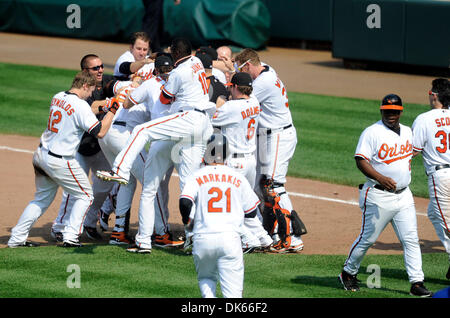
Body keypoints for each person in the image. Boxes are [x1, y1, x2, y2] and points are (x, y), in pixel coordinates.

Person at [97, 37, 213, 253]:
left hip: (185, 120)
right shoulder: (196, 63)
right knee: (186, 185)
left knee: (142, 131)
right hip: (201, 125)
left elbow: (166, 98)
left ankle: (121, 170)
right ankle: (189, 238)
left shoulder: (173, 75)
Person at [8, 71, 118, 248]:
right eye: (90, 90)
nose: (91, 94)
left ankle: (16, 238)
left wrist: (104, 107)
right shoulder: (80, 106)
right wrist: (112, 110)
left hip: (41, 156)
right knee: (86, 196)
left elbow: (81, 111)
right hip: (59, 161)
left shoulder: (58, 96)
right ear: (84, 86)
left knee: (41, 200)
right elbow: (101, 131)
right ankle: (71, 236)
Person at [338, 94, 433, 297]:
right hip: (378, 196)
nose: (391, 115)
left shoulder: (408, 132)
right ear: (381, 111)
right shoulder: (372, 133)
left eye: (395, 112)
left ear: (400, 112)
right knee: (367, 239)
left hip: (404, 196)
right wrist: (381, 178)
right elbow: (361, 161)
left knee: (411, 240)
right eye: (387, 111)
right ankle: (348, 272)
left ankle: (417, 283)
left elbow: (414, 151)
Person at [233, 48, 303, 253]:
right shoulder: (267, 70)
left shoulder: (262, 83)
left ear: (248, 65)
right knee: (258, 185)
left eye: (241, 68)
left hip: (278, 137)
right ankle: (269, 231)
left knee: (273, 186)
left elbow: (240, 100)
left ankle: (292, 237)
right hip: (269, 136)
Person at [179, 133, 261, 298]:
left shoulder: (196, 176)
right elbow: (252, 212)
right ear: (226, 154)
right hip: (230, 240)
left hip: (202, 238)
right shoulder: (238, 177)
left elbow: (185, 203)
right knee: (233, 296)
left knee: (206, 277)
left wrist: (188, 222)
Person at [51, 54, 118, 242]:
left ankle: (89, 222)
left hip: (100, 148)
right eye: (95, 68)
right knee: (73, 191)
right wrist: (110, 104)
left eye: (101, 66)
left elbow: (119, 83)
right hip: (79, 149)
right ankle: (59, 227)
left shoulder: (105, 81)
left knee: (104, 185)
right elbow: (91, 107)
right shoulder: (80, 93)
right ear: (84, 72)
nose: (100, 70)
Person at [120, 54, 183, 247]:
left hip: (160, 140)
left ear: (156, 70)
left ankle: (151, 237)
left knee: (151, 189)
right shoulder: (181, 79)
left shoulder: (150, 83)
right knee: (188, 187)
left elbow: (126, 103)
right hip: (182, 138)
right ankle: (192, 236)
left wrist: (144, 99)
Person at [211, 72, 273, 252]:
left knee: (230, 206)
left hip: (234, 164)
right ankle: (264, 238)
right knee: (247, 203)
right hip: (250, 162)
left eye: (231, 86)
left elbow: (211, 118)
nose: (229, 88)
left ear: (236, 88)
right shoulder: (254, 103)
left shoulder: (230, 108)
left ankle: (248, 240)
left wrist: (221, 100)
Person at [412, 78, 450, 280]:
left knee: (447, 223)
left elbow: (412, 151)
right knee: (434, 214)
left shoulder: (424, 119)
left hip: (441, 177)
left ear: (434, 95)